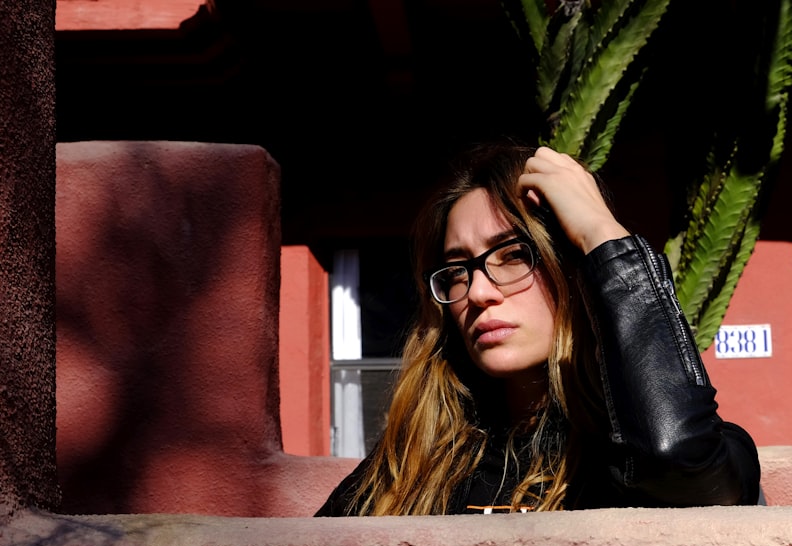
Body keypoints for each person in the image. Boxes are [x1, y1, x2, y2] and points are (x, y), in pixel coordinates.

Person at [315, 141, 761, 516]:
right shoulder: (414, 462)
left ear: (574, 271)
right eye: (456, 270)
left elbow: (680, 468)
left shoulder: (656, 455)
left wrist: (601, 234)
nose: (477, 293)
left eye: (512, 255)